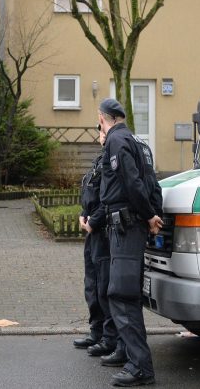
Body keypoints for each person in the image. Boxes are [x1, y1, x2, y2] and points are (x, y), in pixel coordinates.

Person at [97, 97, 163, 387]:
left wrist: (149, 216)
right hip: (129, 224)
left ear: (103, 118)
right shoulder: (136, 141)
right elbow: (151, 181)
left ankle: (140, 367)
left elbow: (132, 181)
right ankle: (127, 351)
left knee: (122, 295)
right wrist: (152, 212)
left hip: (126, 225)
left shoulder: (116, 141)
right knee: (124, 293)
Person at [74, 127, 120, 360]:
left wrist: (94, 220)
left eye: (101, 130)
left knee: (104, 286)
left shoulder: (112, 161)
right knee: (91, 285)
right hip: (92, 231)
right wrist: (84, 213)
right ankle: (96, 331)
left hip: (102, 231)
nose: (99, 135)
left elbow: (109, 197)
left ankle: (109, 338)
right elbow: (90, 193)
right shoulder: (99, 160)